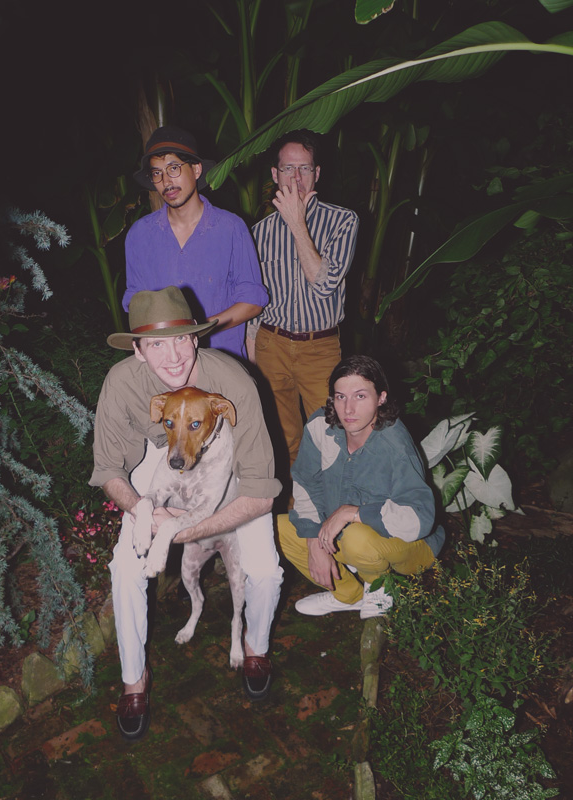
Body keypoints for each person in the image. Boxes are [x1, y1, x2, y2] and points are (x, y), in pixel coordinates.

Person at [90, 287, 284, 741]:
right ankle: (134, 679)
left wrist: (180, 531)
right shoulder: (122, 383)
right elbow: (108, 470)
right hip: (160, 467)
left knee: (265, 571)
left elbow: (261, 493)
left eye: (180, 339)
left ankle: (255, 646)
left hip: (234, 478)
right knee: (124, 567)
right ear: (138, 350)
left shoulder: (233, 384)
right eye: (156, 344)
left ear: (196, 339)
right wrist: (142, 510)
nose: (173, 355)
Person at [277, 355, 444, 618]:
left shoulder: (395, 445)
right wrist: (313, 541)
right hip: (348, 536)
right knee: (280, 529)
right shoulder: (320, 426)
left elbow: (418, 520)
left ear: (381, 398)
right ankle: (348, 596)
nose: (348, 409)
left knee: (357, 537)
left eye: (360, 396)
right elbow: (306, 483)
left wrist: (352, 513)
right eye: (340, 397)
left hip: (411, 547)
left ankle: (378, 586)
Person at [249, 130, 359, 465]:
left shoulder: (343, 221)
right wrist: (253, 355)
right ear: (275, 174)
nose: (296, 178)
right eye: (287, 168)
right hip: (271, 345)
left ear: (317, 173)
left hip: (319, 348)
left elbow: (324, 285)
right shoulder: (259, 232)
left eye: (304, 168)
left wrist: (297, 223)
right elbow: (256, 300)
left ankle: (333, 497)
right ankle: (292, 497)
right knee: (281, 439)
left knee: (331, 437)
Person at [124, 126, 268, 359]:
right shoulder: (139, 235)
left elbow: (252, 302)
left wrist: (198, 330)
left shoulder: (231, 228)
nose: (166, 181)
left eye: (174, 168)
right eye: (157, 173)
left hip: (221, 360)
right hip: (165, 364)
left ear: (196, 169)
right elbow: (135, 300)